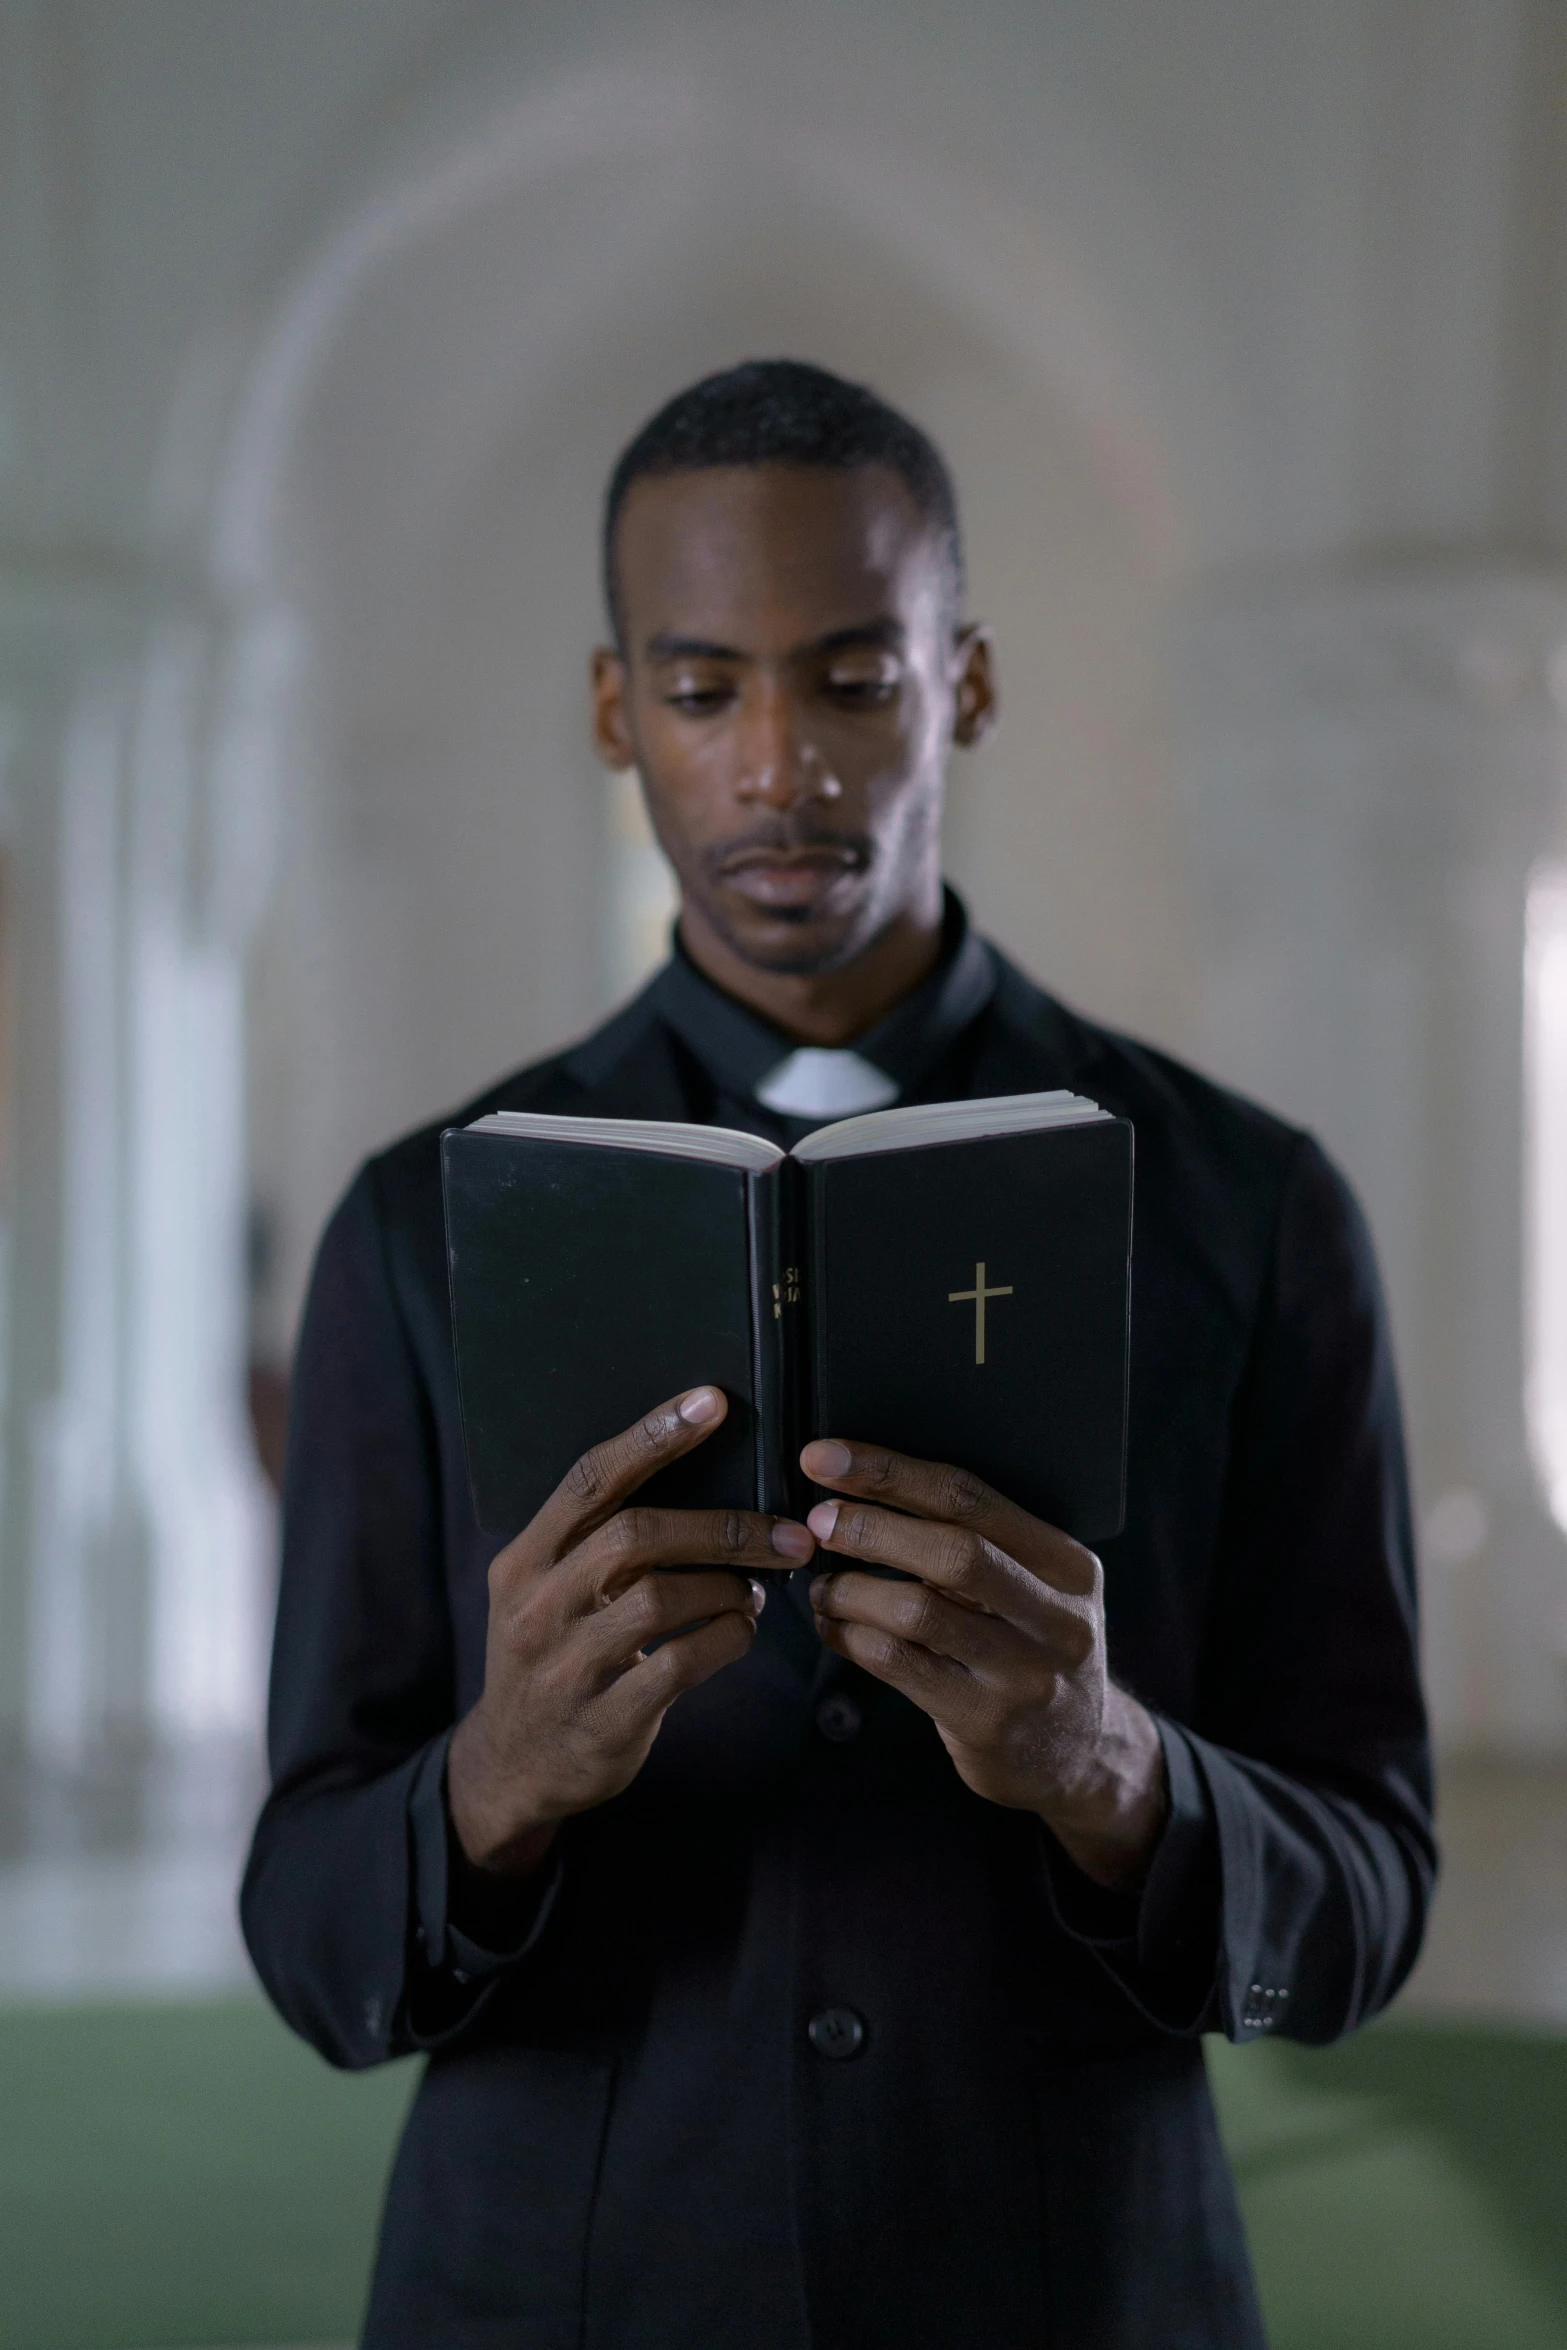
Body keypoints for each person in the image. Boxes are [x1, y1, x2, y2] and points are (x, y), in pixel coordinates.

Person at [242, 359, 1435, 2350]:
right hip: (558, 2285)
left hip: (1074, 2282)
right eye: (704, 689)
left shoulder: (1250, 1204)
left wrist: (1113, 1767)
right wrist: (496, 1780)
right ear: (618, 710)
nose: (781, 760)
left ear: (960, 680)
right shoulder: (415, 1224)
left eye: (854, 679)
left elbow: (1371, 1893)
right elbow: (308, 1927)